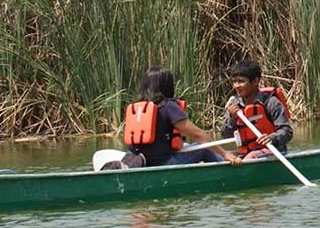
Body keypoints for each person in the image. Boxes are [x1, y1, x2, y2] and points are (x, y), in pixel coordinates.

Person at [113, 66, 243, 168]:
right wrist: (225, 154)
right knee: (204, 148)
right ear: (167, 85)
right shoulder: (167, 105)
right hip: (163, 164)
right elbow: (197, 134)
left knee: (186, 145)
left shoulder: (136, 107)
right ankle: (226, 172)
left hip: (139, 162)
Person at [219, 59, 293, 159]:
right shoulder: (235, 106)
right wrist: (232, 119)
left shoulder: (271, 103)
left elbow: (287, 131)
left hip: (273, 150)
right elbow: (225, 136)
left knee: (251, 156)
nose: (236, 86)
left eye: (241, 81)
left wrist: (271, 138)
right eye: (234, 82)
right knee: (222, 156)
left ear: (255, 81)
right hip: (248, 152)